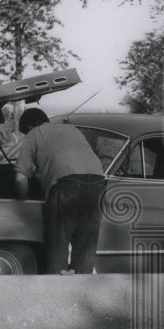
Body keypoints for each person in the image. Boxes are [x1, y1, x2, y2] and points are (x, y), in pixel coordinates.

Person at [14, 108, 105, 274]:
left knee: (57, 247)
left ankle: (56, 293)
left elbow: (20, 179)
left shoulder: (34, 134)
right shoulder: (72, 129)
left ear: (29, 128)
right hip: (98, 183)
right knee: (85, 250)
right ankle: (81, 293)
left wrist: (24, 199)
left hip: (67, 185)